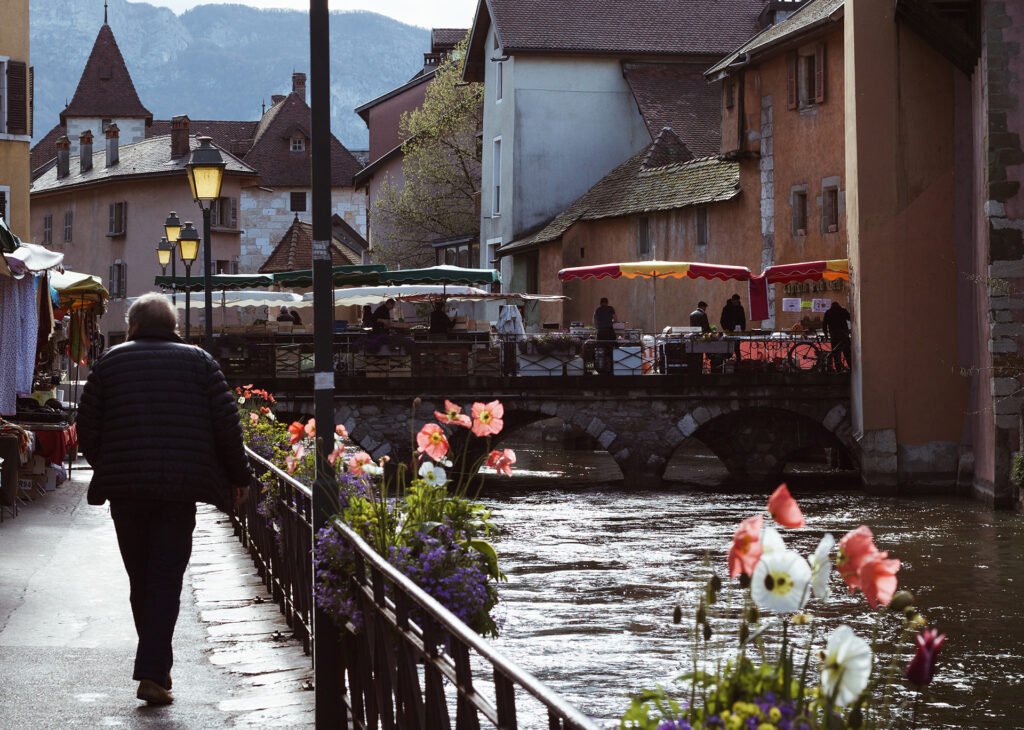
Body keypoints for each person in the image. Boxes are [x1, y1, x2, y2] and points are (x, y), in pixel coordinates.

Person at [76, 293, 251, 706]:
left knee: (141, 578)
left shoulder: (110, 363)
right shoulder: (201, 363)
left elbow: (86, 427)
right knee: (166, 578)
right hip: (179, 490)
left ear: (133, 325)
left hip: (126, 493)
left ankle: (154, 667)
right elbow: (227, 426)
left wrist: (110, 464)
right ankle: (154, 671)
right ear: (174, 326)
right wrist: (239, 477)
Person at [495, 304, 526, 375]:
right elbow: (518, 328)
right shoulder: (513, 318)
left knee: (510, 355)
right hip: (510, 339)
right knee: (510, 355)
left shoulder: (509, 318)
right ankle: (510, 371)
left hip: (509, 339)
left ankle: (509, 370)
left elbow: (501, 327)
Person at [822, 301, 852, 371]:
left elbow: (824, 325)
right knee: (847, 352)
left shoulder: (828, 312)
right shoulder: (843, 311)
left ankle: (838, 368)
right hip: (843, 335)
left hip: (834, 335)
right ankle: (850, 367)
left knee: (835, 353)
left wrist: (826, 335)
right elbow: (850, 318)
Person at [593, 297, 617, 374]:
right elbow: (615, 319)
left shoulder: (597, 310)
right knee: (612, 349)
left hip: (600, 332)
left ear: (600, 303)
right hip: (609, 332)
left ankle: (600, 367)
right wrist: (611, 322)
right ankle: (612, 368)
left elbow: (594, 321)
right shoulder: (611, 308)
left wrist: (597, 328)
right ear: (607, 302)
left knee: (600, 350)